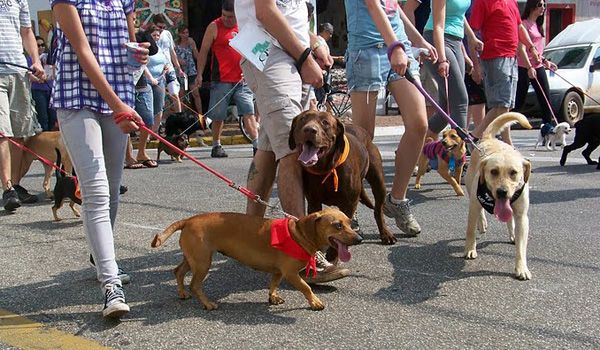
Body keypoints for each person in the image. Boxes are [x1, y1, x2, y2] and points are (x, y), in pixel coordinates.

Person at [236, 0, 351, 283]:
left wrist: (313, 43)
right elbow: (265, 11)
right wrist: (304, 58)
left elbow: (291, 14)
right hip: (272, 54)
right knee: (292, 150)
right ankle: (302, 254)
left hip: (286, 54)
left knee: (268, 147)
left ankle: (250, 239)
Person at [51, 0, 149, 318]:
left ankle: (100, 254)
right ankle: (111, 284)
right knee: (95, 190)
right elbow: (82, 51)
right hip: (76, 94)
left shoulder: (124, 2)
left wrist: (140, 57)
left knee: (113, 189)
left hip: (118, 94)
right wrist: (118, 103)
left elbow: (129, 50)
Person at [344, 0, 437, 236]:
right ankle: (349, 206)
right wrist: (394, 46)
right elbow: (374, 5)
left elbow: (393, 8)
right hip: (367, 50)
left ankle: (397, 200)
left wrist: (417, 40)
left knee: (419, 124)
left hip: (399, 47)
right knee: (362, 138)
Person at [468, 0, 540, 145]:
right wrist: (475, 65)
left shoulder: (511, 2)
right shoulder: (483, 2)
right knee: (502, 104)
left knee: (503, 105)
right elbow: (472, 34)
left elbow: (519, 27)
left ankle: (474, 136)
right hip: (495, 55)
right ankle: (507, 143)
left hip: (512, 56)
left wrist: (531, 47)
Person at [195, 0, 259, 158]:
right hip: (221, 79)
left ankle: (257, 144)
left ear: (237, 15)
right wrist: (199, 74)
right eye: (224, 15)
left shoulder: (244, 25)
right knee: (218, 115)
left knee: (248, 112)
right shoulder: (214, 26)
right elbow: (203, 51)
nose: (226, 19)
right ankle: (216, 145)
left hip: (242, 79)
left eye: (230, 17)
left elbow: (253, 49)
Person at [0, 0, 45, 212]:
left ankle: (15, 186)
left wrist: (35, 61)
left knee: (19, 134)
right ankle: (7, 189)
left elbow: (27, 31)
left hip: (18, 71)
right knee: (2, 133)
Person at [422, 0, 481, 138]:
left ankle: (417, 145)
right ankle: (460, 152)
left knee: (446, 108)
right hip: (437, 40)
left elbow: (459, 15)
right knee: (460, 100)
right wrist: (442, 60)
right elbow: (438, 26)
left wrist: (471, 38)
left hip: (456, 41)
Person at [514, 0, 559, 124]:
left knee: (545, 98)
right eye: (540, 5)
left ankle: (548, 129)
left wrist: (545, 61)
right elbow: (521, 49)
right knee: (519, 101)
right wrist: (529, 67)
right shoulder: (524, 24)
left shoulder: (538, 25)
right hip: (524, 67)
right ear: (532, 6)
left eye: (544, 5)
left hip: (538, 66)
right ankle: (505, 128)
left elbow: (537, 49)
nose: (543, 8)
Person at [124, 27, 160, 169]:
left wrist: (150, 78)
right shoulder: (126, 45)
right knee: (127, 123)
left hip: (142, 86)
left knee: (148, 121)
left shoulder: (144, 41)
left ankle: (142, 153)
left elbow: (144, 65)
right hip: (126, 87)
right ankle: (128, 157)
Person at [152, 15, 184, 114]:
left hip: (169, 68)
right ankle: (159, 122)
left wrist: (178, 68)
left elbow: (172, 52)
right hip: (157, 70)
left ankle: (179, 117)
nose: (161, 30)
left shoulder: (167, 34)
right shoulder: (150, 35)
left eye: (163, 27)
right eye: (159, 27)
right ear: (154, 25)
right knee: (158, 98)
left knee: (174, 93)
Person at [145, 25, 170, 136]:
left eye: (158, 35)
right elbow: (142, 65)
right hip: (148, 81)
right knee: (148, 108)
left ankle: (154, 132)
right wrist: (151, 78)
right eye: (153, 35)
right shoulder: (146, 47)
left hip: (160, 80)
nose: (156, 37)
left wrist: (166, 67)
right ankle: (147, 133)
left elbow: (165, 61)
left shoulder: (159, 48)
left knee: (159, 107)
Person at [29, 36, 57, 132]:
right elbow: (26, 74)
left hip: (50, 89)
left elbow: (54, 72)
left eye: (42, 45)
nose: (41, 47)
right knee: (43, 117)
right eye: (38, 45)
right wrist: (36, 79)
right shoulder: (30, 59)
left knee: (53, 117)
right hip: (38, 90)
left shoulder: (49, 57)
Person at [175, 26, 202, 115]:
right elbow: (173, 57)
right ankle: (181, 115)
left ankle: (200, 114)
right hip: (181, 72)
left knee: (196, 93)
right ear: (179, 34)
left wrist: (193, 46)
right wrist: (179, 61)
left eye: (187, 33)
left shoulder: (191, 42)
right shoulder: (176, 44)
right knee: (181, 94)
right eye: (184, 33)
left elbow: (197, 56)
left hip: (191, 70)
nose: (186, 35)